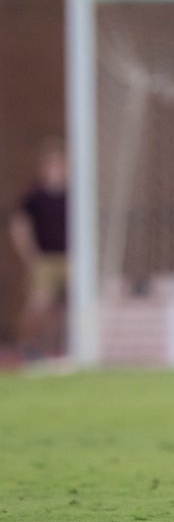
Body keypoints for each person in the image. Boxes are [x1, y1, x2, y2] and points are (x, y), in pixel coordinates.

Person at [8, 138, 69, 362]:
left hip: (71, 259)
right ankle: (28, 346)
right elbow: (19, 224)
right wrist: (29, 253)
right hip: (45, 259)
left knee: (62, 308)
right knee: (39, 302)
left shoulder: (74, 194)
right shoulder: (35, 196)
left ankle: (56, 350)